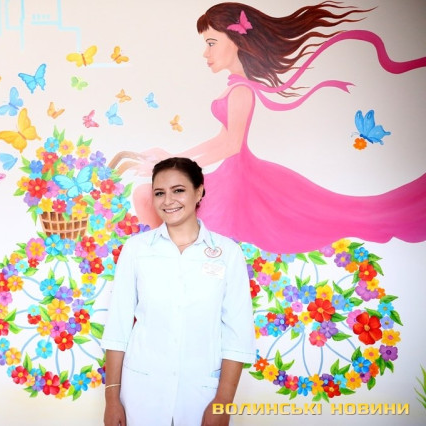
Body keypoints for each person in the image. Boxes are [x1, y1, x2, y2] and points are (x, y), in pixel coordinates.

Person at [109, 2, 426, 254]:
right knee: (150, 200)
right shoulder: (235, 85)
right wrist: (172, 159)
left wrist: (171, 166)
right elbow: (221, 138)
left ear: (235, 41)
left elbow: (231, 144)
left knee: (155, 203)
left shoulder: (241, 90)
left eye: (211, 43)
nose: (206, 53)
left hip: (239, 182)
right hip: (231, 175)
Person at [101, 157, 256, 426]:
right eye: (159, 193)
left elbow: (237, 334)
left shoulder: (227, 253)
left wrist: (223, 403)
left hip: (201, 393)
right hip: (141, 392)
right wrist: (112, 399)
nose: (168, 200)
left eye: (178, 190)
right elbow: (118, 327)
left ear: (199, 192)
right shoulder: (137, 250)